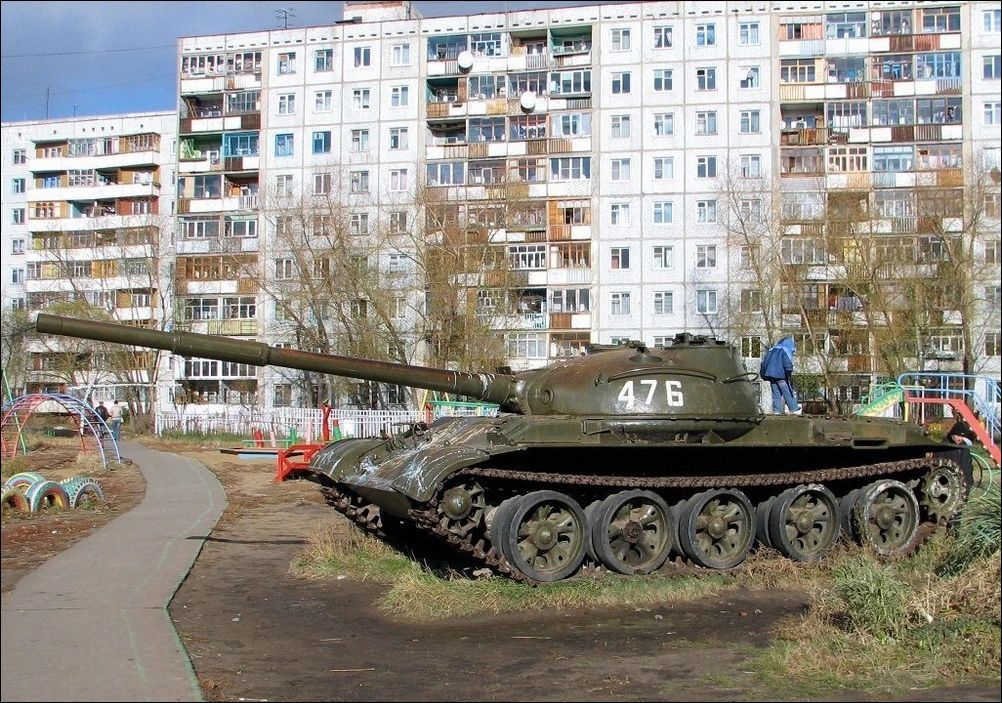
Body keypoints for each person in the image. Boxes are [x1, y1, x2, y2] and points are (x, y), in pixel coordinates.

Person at [760, 336, 802, 415]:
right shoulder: (785, 350)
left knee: (776, 393)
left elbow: (764, 363)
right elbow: (787, 362)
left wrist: (763, 374)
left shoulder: (771, 350)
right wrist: (788, 372)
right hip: (781, 375)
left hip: (771, 375)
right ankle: (794, 408)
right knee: (787, 391)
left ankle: (777, 410)